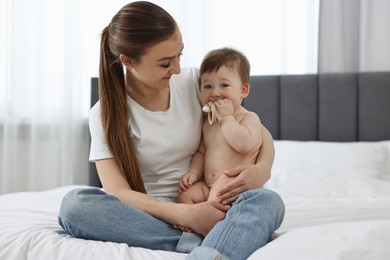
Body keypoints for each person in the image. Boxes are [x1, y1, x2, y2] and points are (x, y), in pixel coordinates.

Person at [58, 1, 285, 259]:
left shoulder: (196, 83)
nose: (177, 69)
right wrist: (188, 215)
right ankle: (205, 241)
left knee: (268, 202)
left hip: (212, 204)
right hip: (156, 216)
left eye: (180, 55)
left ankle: (207, 246)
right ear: (128, 61)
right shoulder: (104, 114)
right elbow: (118, 192)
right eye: (165, 63)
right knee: (74, 207)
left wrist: (262, 169)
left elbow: (253, 126)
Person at [177, 48, 263, 207]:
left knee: (217, 198)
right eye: (207, 86)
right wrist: (193, 173)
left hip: (235, 184)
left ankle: (210, 219)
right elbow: (202, 152)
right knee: (186, 195)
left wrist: (227, 118)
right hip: (208, 186)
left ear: (243, 90)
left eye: (224, 85)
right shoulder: (208, 121)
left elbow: (244, 145)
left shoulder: (248, 117)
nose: (215, 92)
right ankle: (191, 221)